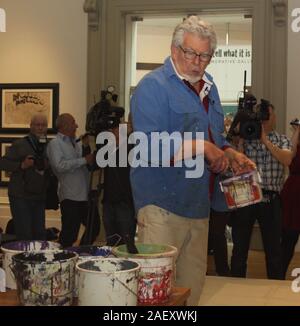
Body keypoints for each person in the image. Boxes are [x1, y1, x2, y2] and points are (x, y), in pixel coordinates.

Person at [130, 16, 255, 305]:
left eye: (205, 55)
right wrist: (202, 147)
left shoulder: (209, 86)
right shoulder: (152, 87)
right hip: (161, 207)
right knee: (157, 297)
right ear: (174, 51)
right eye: (191, 53)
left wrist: (230, 153)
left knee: (190, 292)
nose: (198, 62)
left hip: (199, 207)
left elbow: (215, 138)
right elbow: (147, 147)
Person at [230, 103, 293, 280]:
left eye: (268, 115)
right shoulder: (246, 138)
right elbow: (234, 168)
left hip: (271, 198)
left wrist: (265, 140)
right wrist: (240, 142)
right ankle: (235, 283)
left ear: (273, 118)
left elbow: (287, 159)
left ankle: (275, 286)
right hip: (246, 194)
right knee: (240, 246)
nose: (265, 119)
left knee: (274, 248)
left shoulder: (281, 139)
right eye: (261, 116)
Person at [46, 113, 98, 247]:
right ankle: (63, 260)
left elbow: (86, 165)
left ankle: (81, 250)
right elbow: (59, 165)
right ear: (64, 126)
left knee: (94, 226)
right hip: (70, 196)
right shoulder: (55, 144)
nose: (76, 126)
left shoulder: (76, 143)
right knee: (70, 234)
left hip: (85, 195)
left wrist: (85, 147)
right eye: (73, 122)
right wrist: (83, 160)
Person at [0, 114, 49, 240]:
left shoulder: (47, 145)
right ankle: (23, 259)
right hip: (20, 196)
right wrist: (22, 165)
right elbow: (3, 163)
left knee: (40, 234)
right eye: (37, 125)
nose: (40, 128)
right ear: (31, 126)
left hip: (39, 195)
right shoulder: (20, 144)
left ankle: (38, 259)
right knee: (25, 235)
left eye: (43, 125)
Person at [102, 121, 136, 247]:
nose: (115, 131)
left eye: (120, 128)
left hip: (125, 202)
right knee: (111, 239)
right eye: (115, 128)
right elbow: (94, 164)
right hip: (108, 201)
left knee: (126, 241)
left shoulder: (131, 148)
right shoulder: (107, 149)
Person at [281, 124, 300, 279]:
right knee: (289, 237)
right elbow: (289, 157)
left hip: (294, 189)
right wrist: (298, 130)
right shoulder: (295, 138)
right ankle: (279, 275)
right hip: (294, 192)